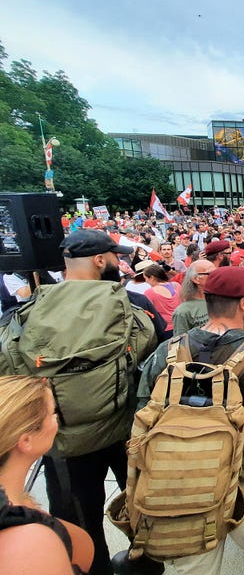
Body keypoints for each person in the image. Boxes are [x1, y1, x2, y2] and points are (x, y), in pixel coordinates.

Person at [0, 229, 158, 575]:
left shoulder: (25, 313)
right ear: (100, 261)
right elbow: (154, 358)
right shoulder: (134, 306)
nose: (120, 262)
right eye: (115, 256)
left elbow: (9, 369)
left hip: (63, 445)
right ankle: (144, 564)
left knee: (80, 522)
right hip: (125, 432)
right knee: (141, 506)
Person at [138, 266, 244, 575]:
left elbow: (143, 408)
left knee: (194, 566)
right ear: (243, 303)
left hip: (183, 475)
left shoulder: (168, 350)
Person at [0, 376, 94, 575]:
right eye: (52, 414)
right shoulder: (31, 547)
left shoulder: (19, 509)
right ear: (26, 441)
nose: (56, 420)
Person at [170, 259, 215, 335]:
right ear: (195, 279)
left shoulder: (221, 300)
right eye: (211, 274)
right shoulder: (183, 312)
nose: (216, 276)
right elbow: (181, 340)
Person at [142, 264, 181, 334]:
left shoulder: (149, 292)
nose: (146, 281)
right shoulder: (176, 285)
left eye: (146, 278)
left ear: (152, 278)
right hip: (181, 324)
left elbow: (147, 312)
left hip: (165, 329)